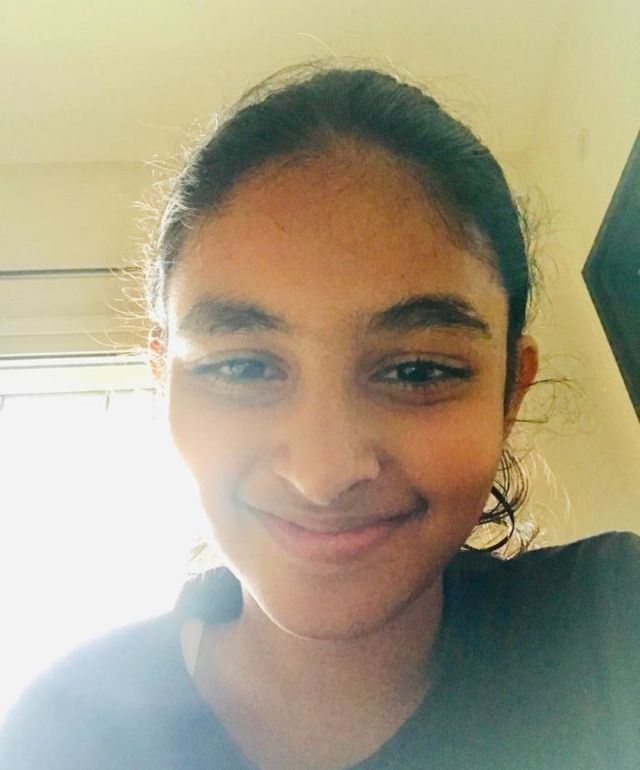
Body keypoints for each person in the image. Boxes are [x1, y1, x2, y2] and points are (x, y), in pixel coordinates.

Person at [1, 63, 638, 770]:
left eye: (417, 371)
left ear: (510, 395)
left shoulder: (613, 625)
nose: (323, 473)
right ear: (166, 386)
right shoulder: (59, 737)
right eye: (243, 368)